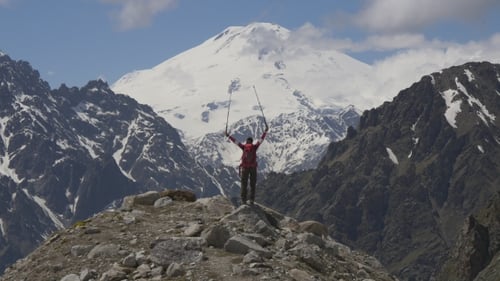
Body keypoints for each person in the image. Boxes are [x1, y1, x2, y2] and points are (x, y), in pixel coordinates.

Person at [226, 125, 269, 205]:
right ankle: (252, 200)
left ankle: (243, 200)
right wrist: (265, 131)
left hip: (245, 168)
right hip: (253, 168)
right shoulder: (254, 147)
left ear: (246, 142)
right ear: (252, 142)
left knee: (244, 184)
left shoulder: (244, 147)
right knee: (252, 184)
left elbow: (235, 142)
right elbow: (261, 140)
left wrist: (228, 135)